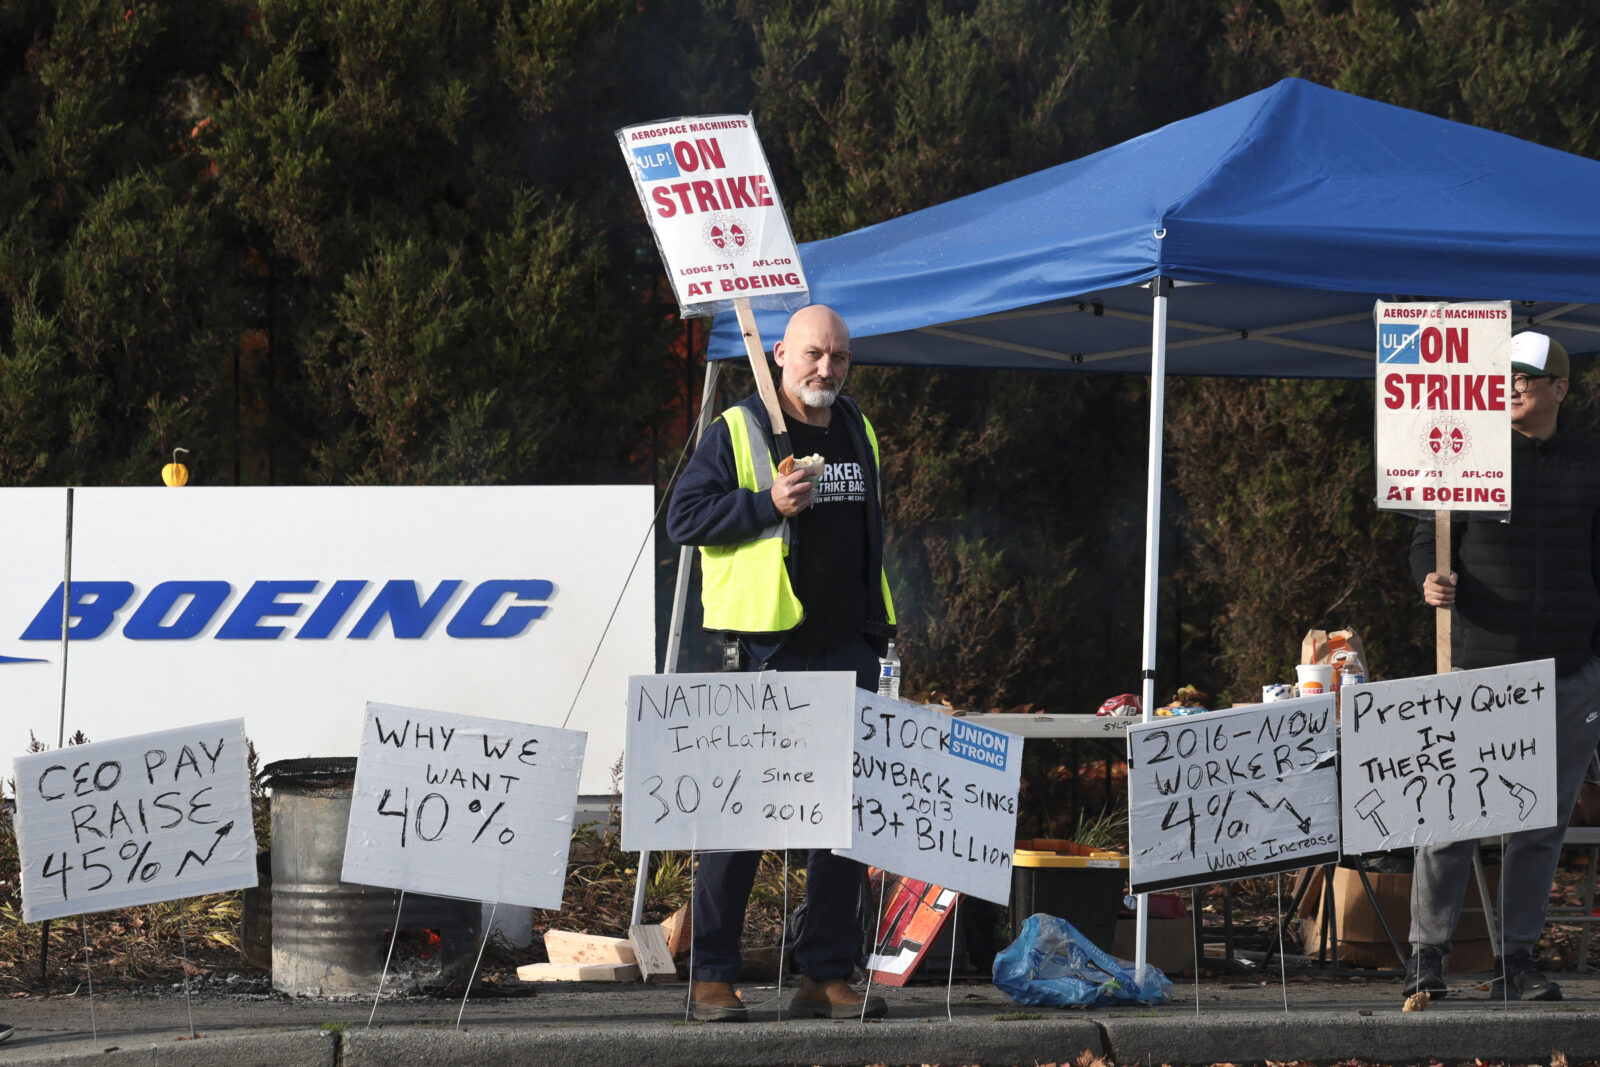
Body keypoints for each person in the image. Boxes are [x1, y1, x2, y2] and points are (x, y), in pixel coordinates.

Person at [666, 304, 897, 1022]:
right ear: (778, 356)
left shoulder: (858, 426)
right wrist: (765, 503)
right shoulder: (738, 429)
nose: (825, 368)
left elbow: (868, 538)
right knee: (742, 816)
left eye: (838, 356)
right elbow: (684, 517)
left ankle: (824, 974)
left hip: (848, 646)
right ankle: (712, 977)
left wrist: (880, 631)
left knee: (845, 821)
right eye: (812, 354)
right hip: (767, 647)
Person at [1406, 331, 1600, 1001]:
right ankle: (1427, 956)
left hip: (1569, 673)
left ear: (1560, 387)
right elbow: (1425, 543)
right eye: (1504, 374)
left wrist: (1592, 662)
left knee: (1539, 825)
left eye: (1527, 374)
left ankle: (1517, 961)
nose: (1512, 384)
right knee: (1448, 815)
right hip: (1477, 672)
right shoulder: (1467, 454)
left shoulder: (1592, 463)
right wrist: (1429, 579)